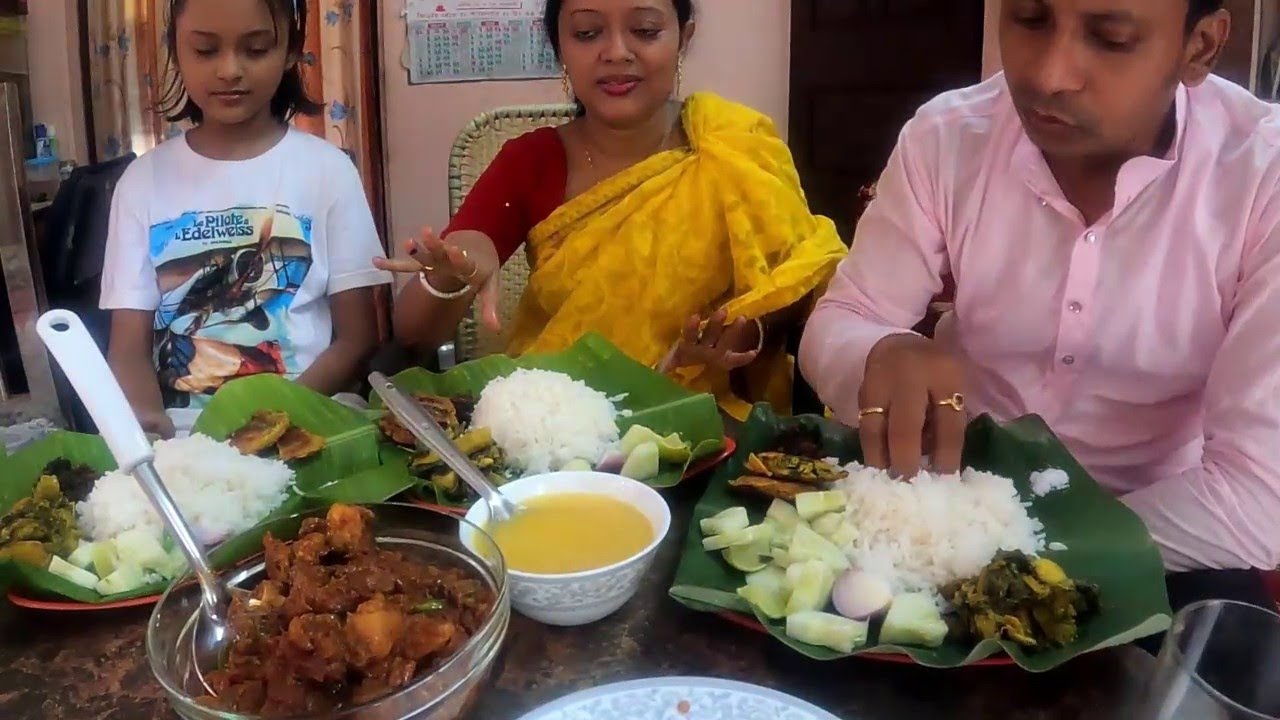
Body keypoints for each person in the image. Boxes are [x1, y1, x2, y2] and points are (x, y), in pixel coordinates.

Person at [799, 0, 1280, 613]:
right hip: (949, 500)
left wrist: (1005, 554)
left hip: (1163, 533)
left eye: (1110, 38)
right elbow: (841, 320)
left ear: (1200, 48)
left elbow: (1257, 498)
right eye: (1029, 19)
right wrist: (879, 352)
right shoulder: (948, 139)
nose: (1050, 74)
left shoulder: (1263, 178)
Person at [376, 0, 847, 420]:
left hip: (710, 428)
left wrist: (746, 334)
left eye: (644, 30)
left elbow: (801, 284)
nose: (617, 51)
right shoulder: (531, 161)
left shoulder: (737, 146)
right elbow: (416, 330)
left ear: (684, 38)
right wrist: (453, 274)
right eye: (587, 33)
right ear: (559, 46)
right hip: (561, 431)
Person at [100, 0, 391, 438]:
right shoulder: (141, 181)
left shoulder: (328, 171)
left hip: (303, 421)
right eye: (205, 50)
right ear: (175, 50)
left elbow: (356, 340)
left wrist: (270, 426)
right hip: (184, 437)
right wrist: (147, 427)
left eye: (255, 50)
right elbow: (127, 350)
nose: (230, 70)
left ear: (291, 50)